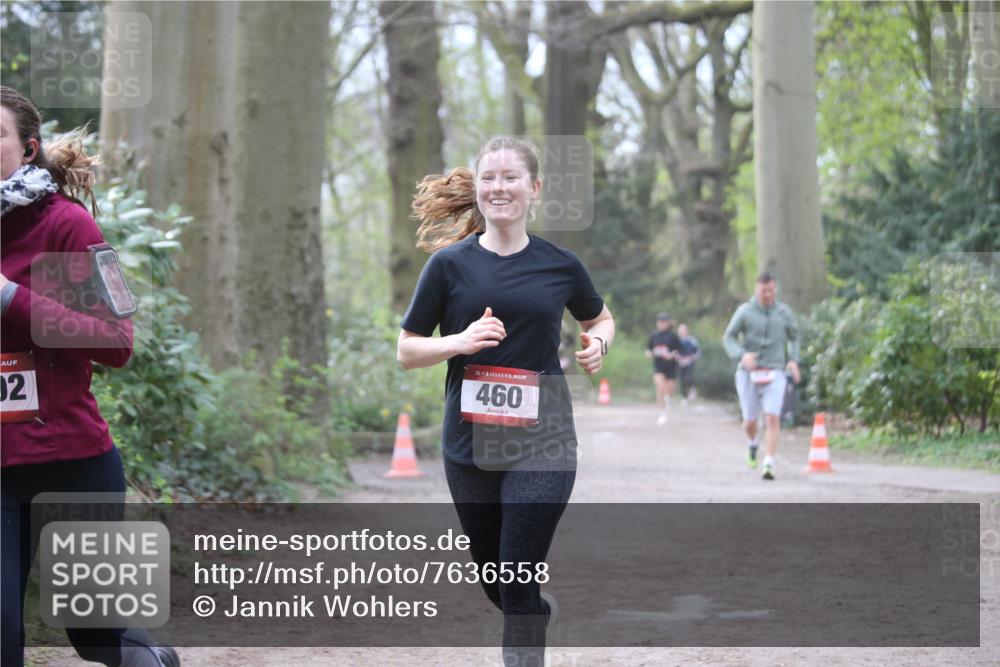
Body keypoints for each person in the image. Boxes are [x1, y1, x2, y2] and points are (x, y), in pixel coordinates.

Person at [396, 136, 614, 666]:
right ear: (478, 189)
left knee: (517, 574)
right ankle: (535, 614)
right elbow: (407, 349)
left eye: (510, 177)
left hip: (545, 437)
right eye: (489, 177)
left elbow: (599, 317)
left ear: (533, 188)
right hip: (470, 439)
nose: (499, 187)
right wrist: (460, 342)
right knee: (497, 580)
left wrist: (599, 344)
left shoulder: (560, 265)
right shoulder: (448, 267)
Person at [1, 87, 179, 667]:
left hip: (68, 465)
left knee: (96, 634)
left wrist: (10, 300)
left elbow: (116, 342)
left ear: (27, 150)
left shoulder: (65, 227)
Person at [722, 272, 801, 481]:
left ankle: (769, 463)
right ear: (756, 290)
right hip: (748, 373)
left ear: (776, 289)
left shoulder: (784, 312)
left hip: (775, 371)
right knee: (750, 422)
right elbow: (728, 337)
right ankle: (752, 443)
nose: (768, 294)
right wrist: (741, 355)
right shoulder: (745, 312)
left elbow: (795, 336)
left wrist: (792, 359)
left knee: (773, 417)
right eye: (764, 290)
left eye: (772, 290)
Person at [646, 313, 681, 425]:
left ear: (668, 323)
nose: (662, 324)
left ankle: (668, 400)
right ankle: (662, 414)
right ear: (657, 323)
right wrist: (649, 354)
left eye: (664, 321)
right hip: (658, 366)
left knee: (669, 391)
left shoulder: (673, 336)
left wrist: (673, 354)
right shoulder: (654, 336)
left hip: (670, 367)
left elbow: (679, 350)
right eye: (660, 321)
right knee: (660, 388)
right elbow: (648, 350)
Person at [677, 323, 700, 404]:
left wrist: (692, 358)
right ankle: (684, 397)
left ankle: (692, 389)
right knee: (682, 380)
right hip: (680, 363)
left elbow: (697, 351)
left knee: (688, 378)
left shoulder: (692, 340)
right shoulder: (677, 340)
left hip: (689, 362)